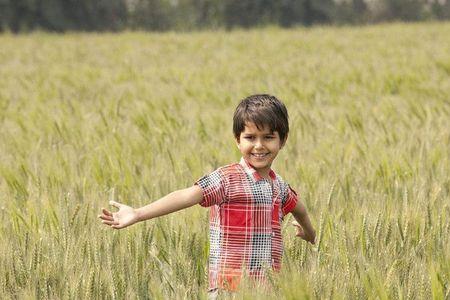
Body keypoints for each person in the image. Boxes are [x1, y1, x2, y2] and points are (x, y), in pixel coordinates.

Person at [98, 94, 316, 296]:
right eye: (250, 137)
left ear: (283, 140)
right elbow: (187, 196)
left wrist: (309, 233)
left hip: (268, 288)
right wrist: (137, 213)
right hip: (229, 288)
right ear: (237, 140)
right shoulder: (226, 179)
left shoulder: (279, 186)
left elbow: (299, 208)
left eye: (268, 137)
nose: (259, 145)